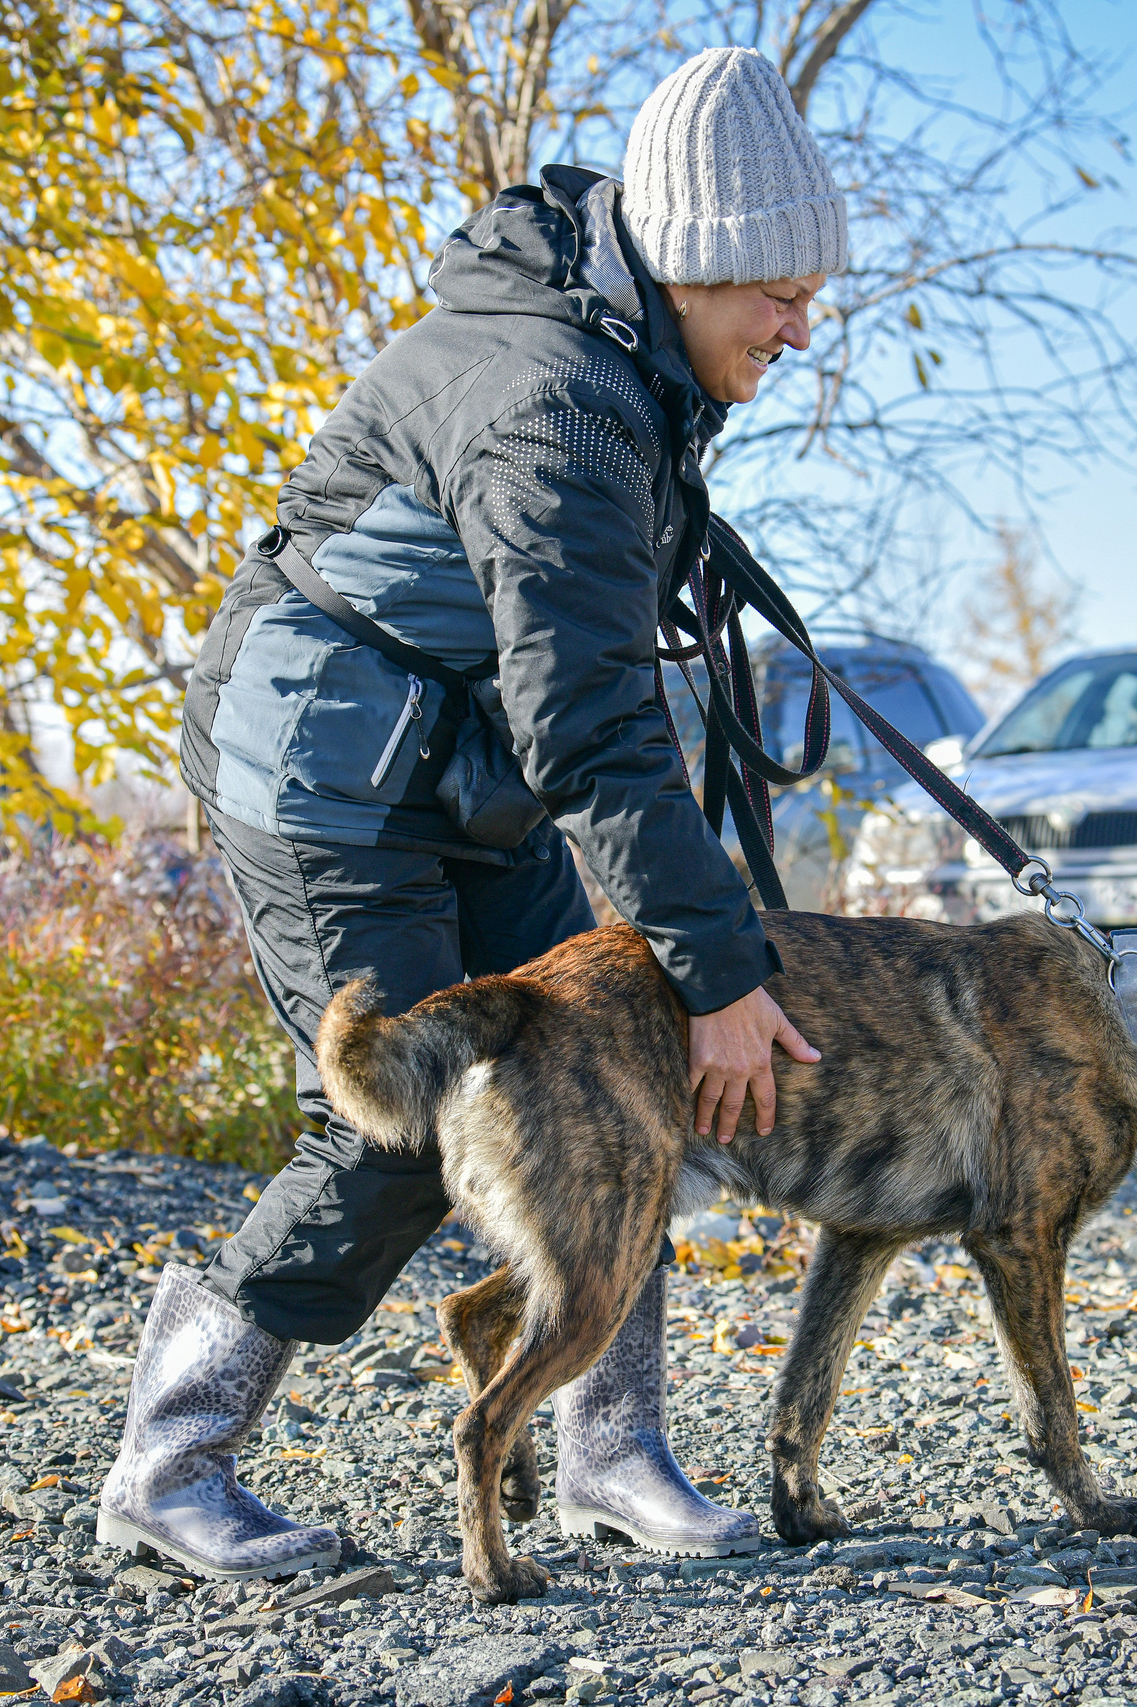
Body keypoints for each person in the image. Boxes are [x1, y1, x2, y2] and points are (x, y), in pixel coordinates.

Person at [96, 46, 843, 1583]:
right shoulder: (555, 406)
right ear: (691, 259)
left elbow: (577, 703)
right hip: (324, 774)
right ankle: (169, 1465)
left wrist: (688, 975)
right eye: (777, 285)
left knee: (609, 1062)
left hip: (459, 763)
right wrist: (722, 969)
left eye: (811, 289)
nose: (800, 322)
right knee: (397, 1117)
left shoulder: (618, 351)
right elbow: (590, 726)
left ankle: (611, 1455)